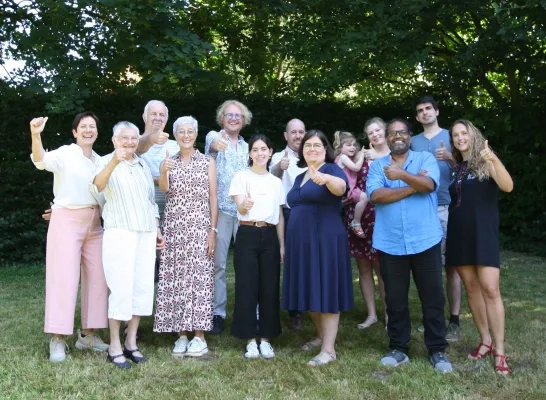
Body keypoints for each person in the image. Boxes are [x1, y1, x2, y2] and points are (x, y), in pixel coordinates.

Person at [366, 118, 452, 373]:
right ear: (387, 138)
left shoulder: (425, 159)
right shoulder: (377, 166)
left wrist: (401, 176)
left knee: (433, 297)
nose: (397, 136)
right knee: (395, 299)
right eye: (392, 133)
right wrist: (412, 186)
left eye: (402, 132)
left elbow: (429, 185)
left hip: (425, 239)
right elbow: (376, 196)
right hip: (390, 242)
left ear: (409, 136)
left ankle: (437, 350)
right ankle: (398, 348)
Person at [30, 113, 109, 362]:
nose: (88, 130)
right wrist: (35, 134)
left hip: (95, 223)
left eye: (92, 126)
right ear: (75, 132)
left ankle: (88, 336)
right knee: (63, 279)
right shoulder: (65, 153)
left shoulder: (100, 160)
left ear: (97, 132)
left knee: (98, 278)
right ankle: (58, 339)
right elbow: (40, 160)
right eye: (83, 127)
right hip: (66, 222)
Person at [92, 121, 164, 369]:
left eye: (134, 138)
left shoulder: (142, 163)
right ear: (114, 140)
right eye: (125, 138)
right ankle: (114, 346)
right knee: (121, 288)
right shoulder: (104, 161)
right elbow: (98, 185)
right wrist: (115, 161)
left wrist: (157, 227)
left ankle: (131, 341)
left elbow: (149, 199)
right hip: (120, 232)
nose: (130, 142)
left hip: (145, 231)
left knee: (143, 287)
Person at [445, 120, 513, 375]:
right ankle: (485, 340)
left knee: (490, 289)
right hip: (459, 233)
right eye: (456, 135)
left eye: (464, 133)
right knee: (472, 288)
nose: (460, 138)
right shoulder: (456, 168)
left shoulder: (486, 160)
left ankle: (500, 350)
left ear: (473, 135)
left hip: (483, 234)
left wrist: (493, 159)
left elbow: (507, 186)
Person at [282, 129, 353, 366]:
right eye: (307, 145)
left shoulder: (331, 169)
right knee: (309, 287)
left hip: (325, 238)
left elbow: (341, 188)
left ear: (325, 149)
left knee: (327, 289)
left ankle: (329, 349)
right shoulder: (300, 174)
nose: (312, 149)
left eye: (317, 145)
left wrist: (328, 180)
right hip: (301, 242)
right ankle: (321, 335)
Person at [153, 116, 218, 358]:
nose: (186, 135)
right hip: (175, 228)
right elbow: (165, 189)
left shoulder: (207, 162)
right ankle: (181, 334)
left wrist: (213, 231)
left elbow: (213, 198)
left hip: (200, 227)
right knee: (177, 278)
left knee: (200, 278)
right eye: (181, 131)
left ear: (196, 133)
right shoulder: (169, 161)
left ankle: (199, 336)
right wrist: (162, 171)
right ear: (175, 134)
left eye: (190, 131)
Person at [229, 134, 285, 359]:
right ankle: (250, 340)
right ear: (250, 153)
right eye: (255, 150)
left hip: (270, 234)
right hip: (247, 233)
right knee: (247, 285)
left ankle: (266, 339)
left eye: (264, 149)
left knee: (269, 287)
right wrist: (245, 205)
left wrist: (282, 245)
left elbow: (279, 215)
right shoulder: (241, 177)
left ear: (271, 151)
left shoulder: (276, 182)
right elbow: (240, 209)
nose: (260, 153)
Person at [411, 95, 462, 341]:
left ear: (437, 111)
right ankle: (432, 317)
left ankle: (454, 319)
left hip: (448, 205)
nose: (425, 113)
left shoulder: (451, 137)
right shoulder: (412, 142)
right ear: (417, 116)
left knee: (451, 266)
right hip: (422, 207)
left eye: (428, 108)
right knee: (428, 267)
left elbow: (465, 169)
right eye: (420, 110)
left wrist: (450, 159)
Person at [205, 100, 252, 334]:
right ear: (222, 118)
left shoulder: (248, 146)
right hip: (221, 211)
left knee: (246, 265)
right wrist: (216, 143)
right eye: (229, 115)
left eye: (238, 116)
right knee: (218, 265)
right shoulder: (214, 136)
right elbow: (212, 144)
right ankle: (217, 313)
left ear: (245, 121)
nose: (234, 119)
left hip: (245, 213)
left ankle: (248, 312)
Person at [345, 118, 389, 330]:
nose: (375, 134)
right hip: (361, 217)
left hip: (383, 215)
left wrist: (379, 158)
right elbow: (350, 176)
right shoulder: (363, 154)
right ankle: (371, 314)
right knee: (363, 267)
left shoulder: (396, 153)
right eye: (370, 132)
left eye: (378, 130)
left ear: (385, 131)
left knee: (383, 269)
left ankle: (390, 314)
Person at [136, 100, 179, 281]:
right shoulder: (134, 140)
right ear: (144, 116)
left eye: (162, 115)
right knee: (142, 256)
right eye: (153, 114)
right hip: (141, 206)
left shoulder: (174, 146)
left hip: (170, 205)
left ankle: (165, 300)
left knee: (167, 254)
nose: (158, 118)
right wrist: (159, 178)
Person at [270, 118, 307, 331]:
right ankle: (295, 311)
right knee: (290, 263)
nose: (297, 136)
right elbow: (271, 176)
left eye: (301, 131)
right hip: (288, 214)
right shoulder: (278, 157)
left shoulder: (311, 153)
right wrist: (279, 167)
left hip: (309, 213)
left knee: (307, 261)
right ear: (286, 135)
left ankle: (311, 304)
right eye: (293, 132)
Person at [333, 131, 368, 237]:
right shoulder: (342, 157)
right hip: (347, 190)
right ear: (340, 147)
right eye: (348, 145)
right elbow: (356, 168)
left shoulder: (346, 157)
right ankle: (356, 222)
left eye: (353, 145)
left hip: (349, 189)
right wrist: (362, 155)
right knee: (364, 197)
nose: (352, 147)